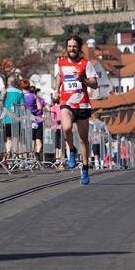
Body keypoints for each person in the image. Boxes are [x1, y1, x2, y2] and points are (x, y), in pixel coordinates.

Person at [53, 35, 98, 186]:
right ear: (66, 47)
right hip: (66, 102)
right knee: (66, 127)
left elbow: (95, 84)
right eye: (69, 46)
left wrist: (82, 79)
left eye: (74, 46)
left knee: (83, 139)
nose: (72, 49)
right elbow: (59, 76)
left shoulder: (86, 63)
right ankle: (71, 150)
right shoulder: (61, 63)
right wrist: (56, 90)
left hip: (82, 104)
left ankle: (84, 168)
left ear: (79, 48)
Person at [3, 76, 24, 159]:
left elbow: (0, 103)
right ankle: (16, 155)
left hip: (6, 119)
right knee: (16, 138)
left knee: (8, 138)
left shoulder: (4, 92)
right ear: (15, 83)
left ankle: (8, 151)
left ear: (8, 83)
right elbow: (22, 106)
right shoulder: (20, 92)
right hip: (16, 118)